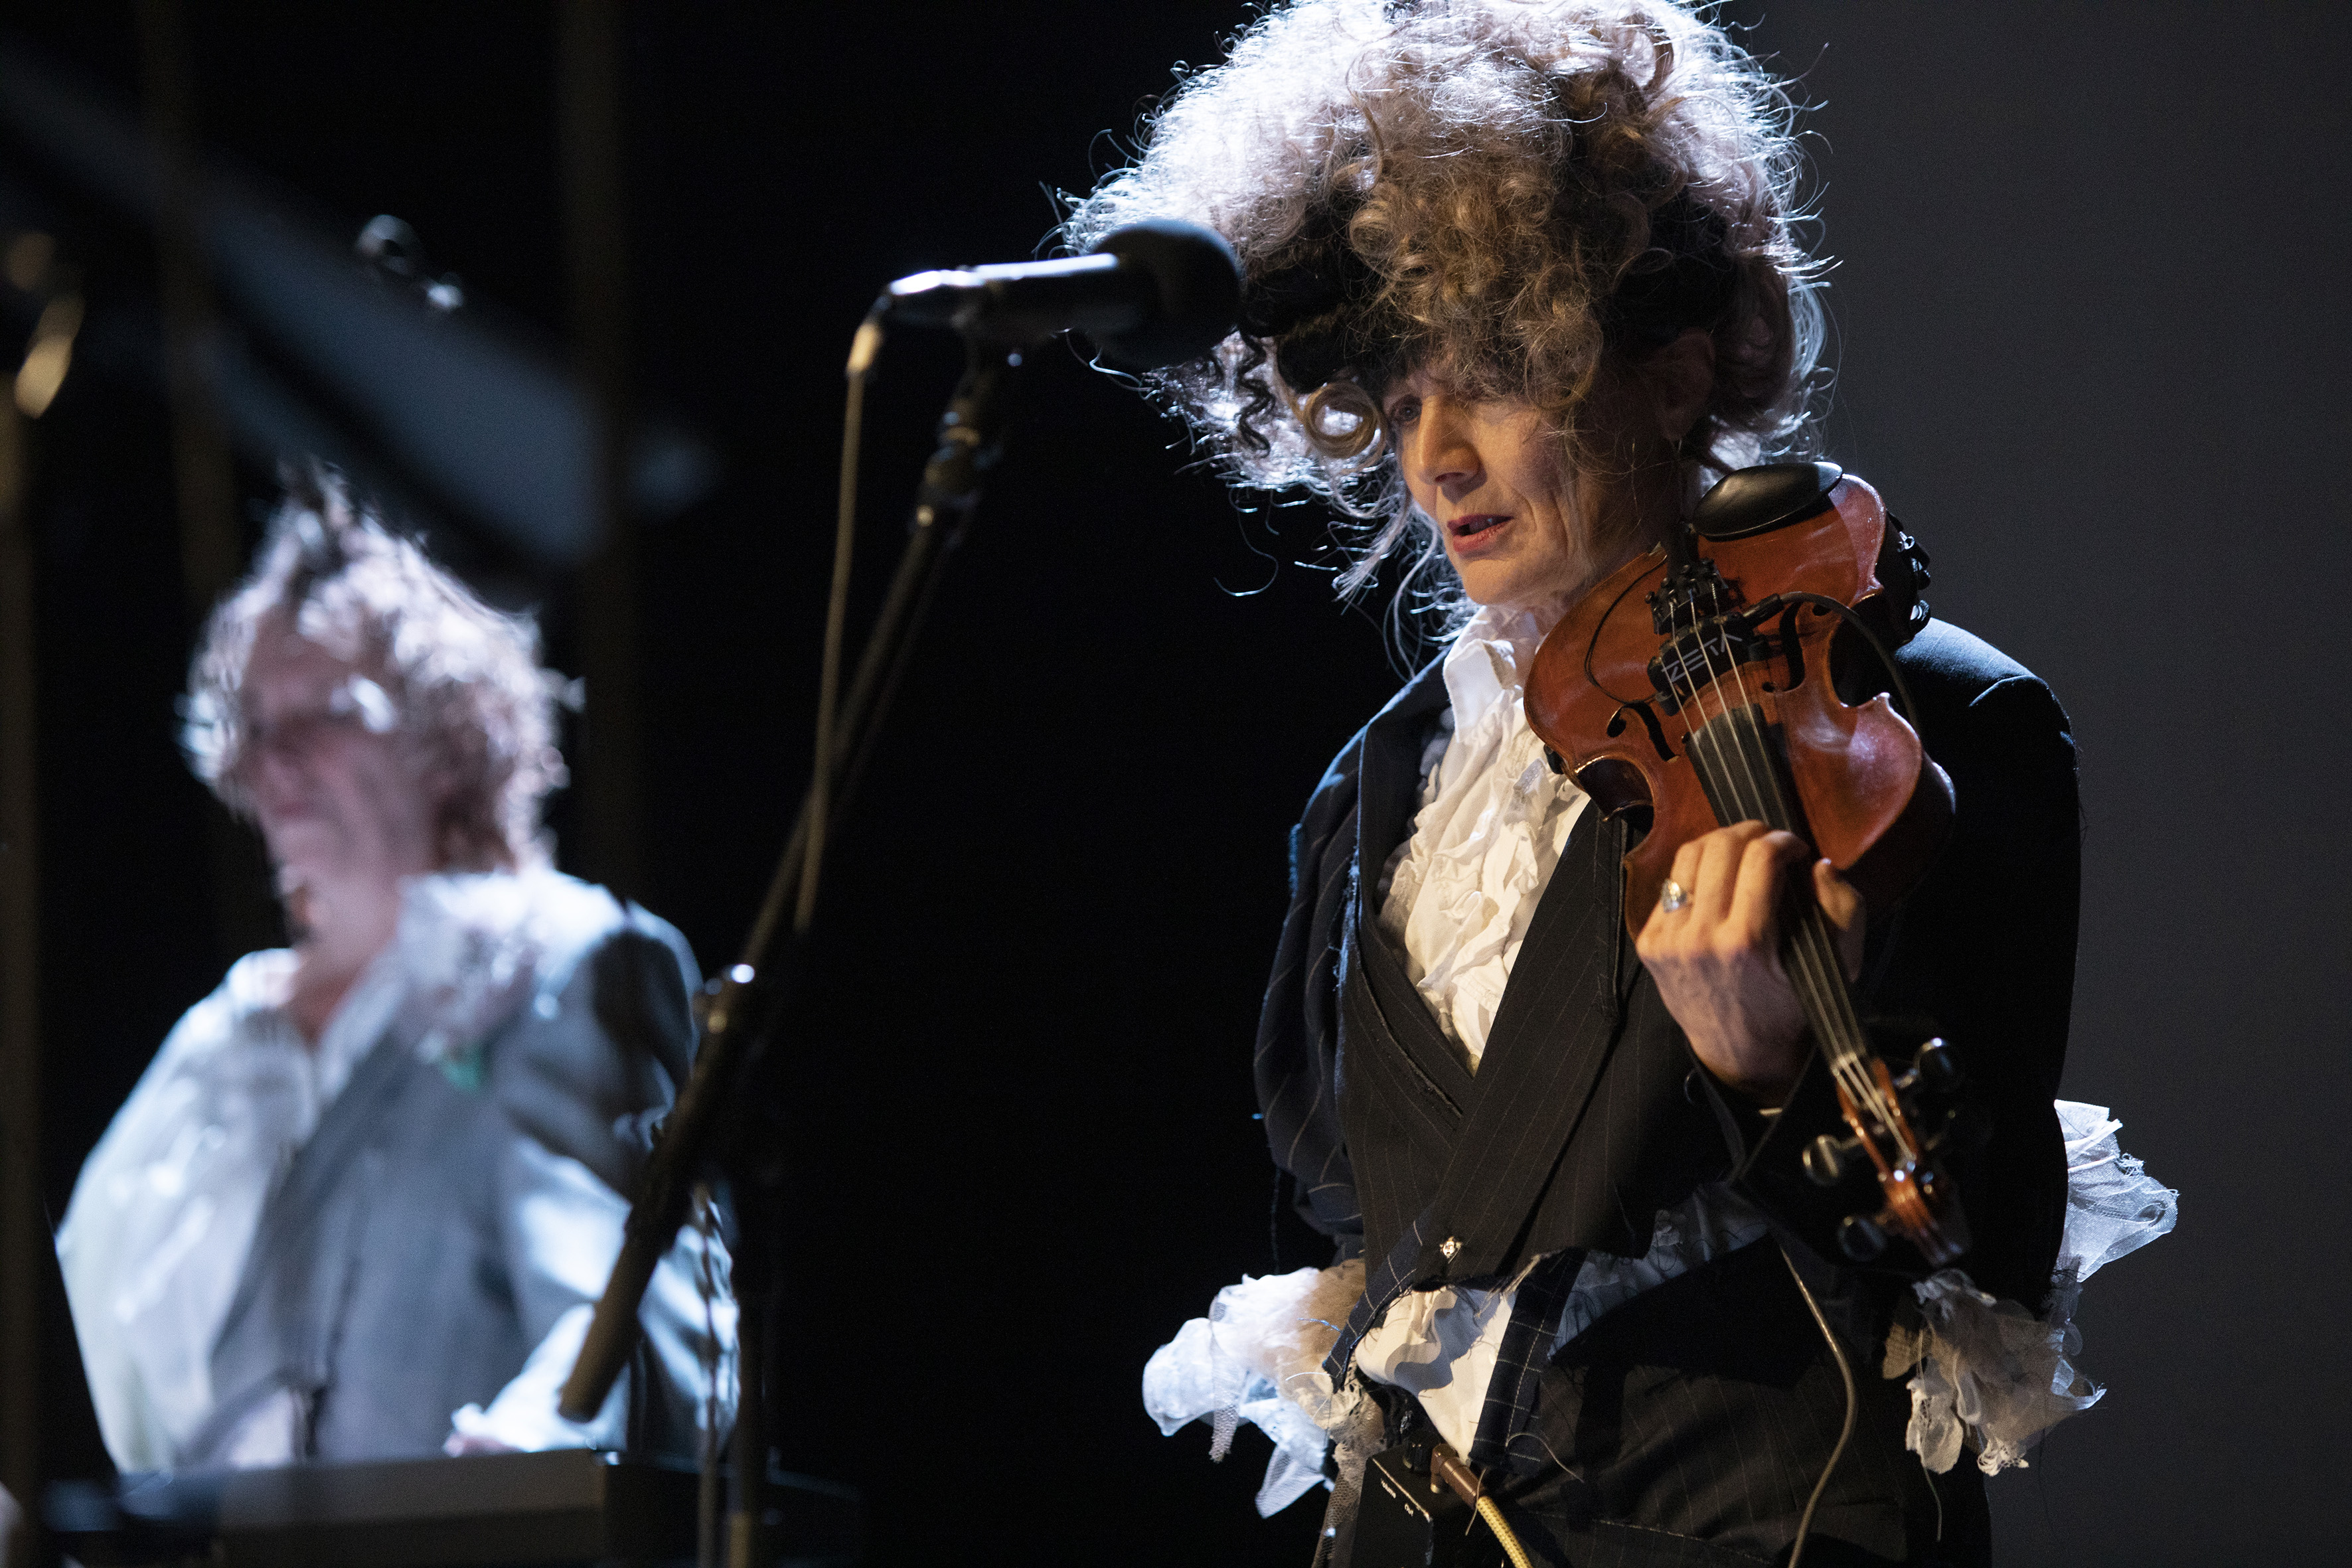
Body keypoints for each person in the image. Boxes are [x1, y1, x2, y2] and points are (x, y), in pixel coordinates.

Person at [1066, 3, 2169, 1564]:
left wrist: (1778, 1073)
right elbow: (1351, 1208)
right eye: (1400, 399)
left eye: (1494, 377)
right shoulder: (1375, 786)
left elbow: (1983, 1239)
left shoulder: (1919, 715)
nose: (1437, 457)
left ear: (1669, 369)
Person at [56, 469, 734, 1470]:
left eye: (326, 712)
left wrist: (525, 1451)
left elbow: (631, 1316)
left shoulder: (558, 959)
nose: (277, 760)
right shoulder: (215, 1042)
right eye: (256, 722)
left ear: (450, 731)